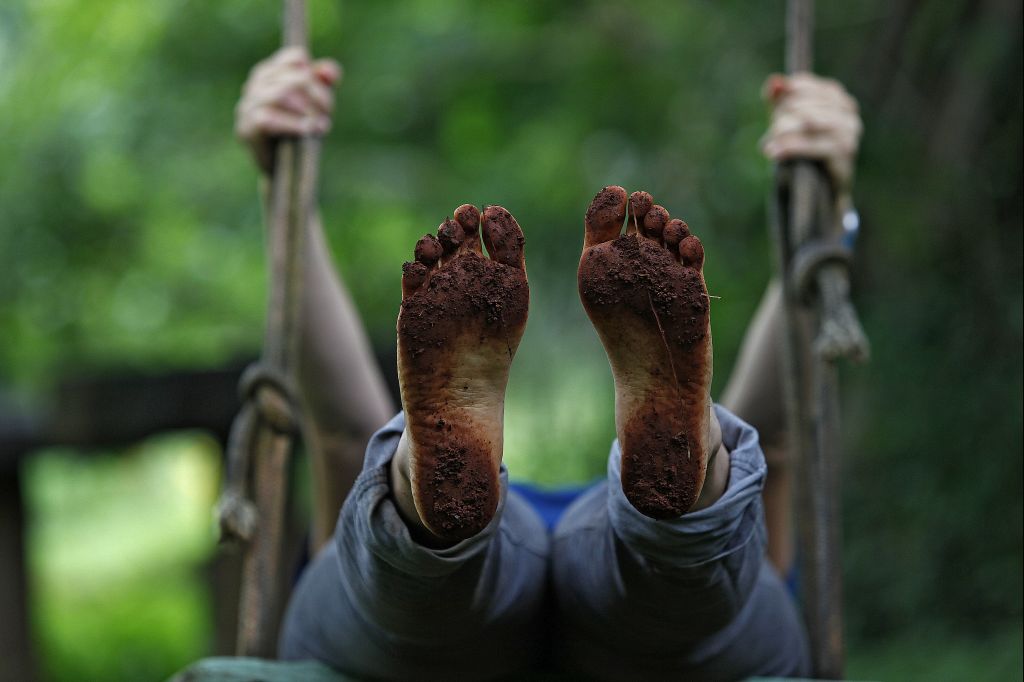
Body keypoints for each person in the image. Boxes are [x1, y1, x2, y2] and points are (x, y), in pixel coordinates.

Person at [234, 46, 861, 680]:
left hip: (398, 653)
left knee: (406, 579)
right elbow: (773, 438)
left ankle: (417, 504)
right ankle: (695, 495)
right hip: (700, 651)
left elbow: (343, 434)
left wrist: (285, 199)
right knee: (687, 569)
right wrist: (826, 216)